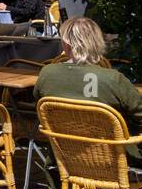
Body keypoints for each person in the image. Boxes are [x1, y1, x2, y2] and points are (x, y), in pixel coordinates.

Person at [34, 17, 142, 165]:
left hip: (64, 160)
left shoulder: (47, 73)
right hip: (116, 161)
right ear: (97, 43)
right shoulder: (113, 79)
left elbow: (41, 110)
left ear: (66, 44)